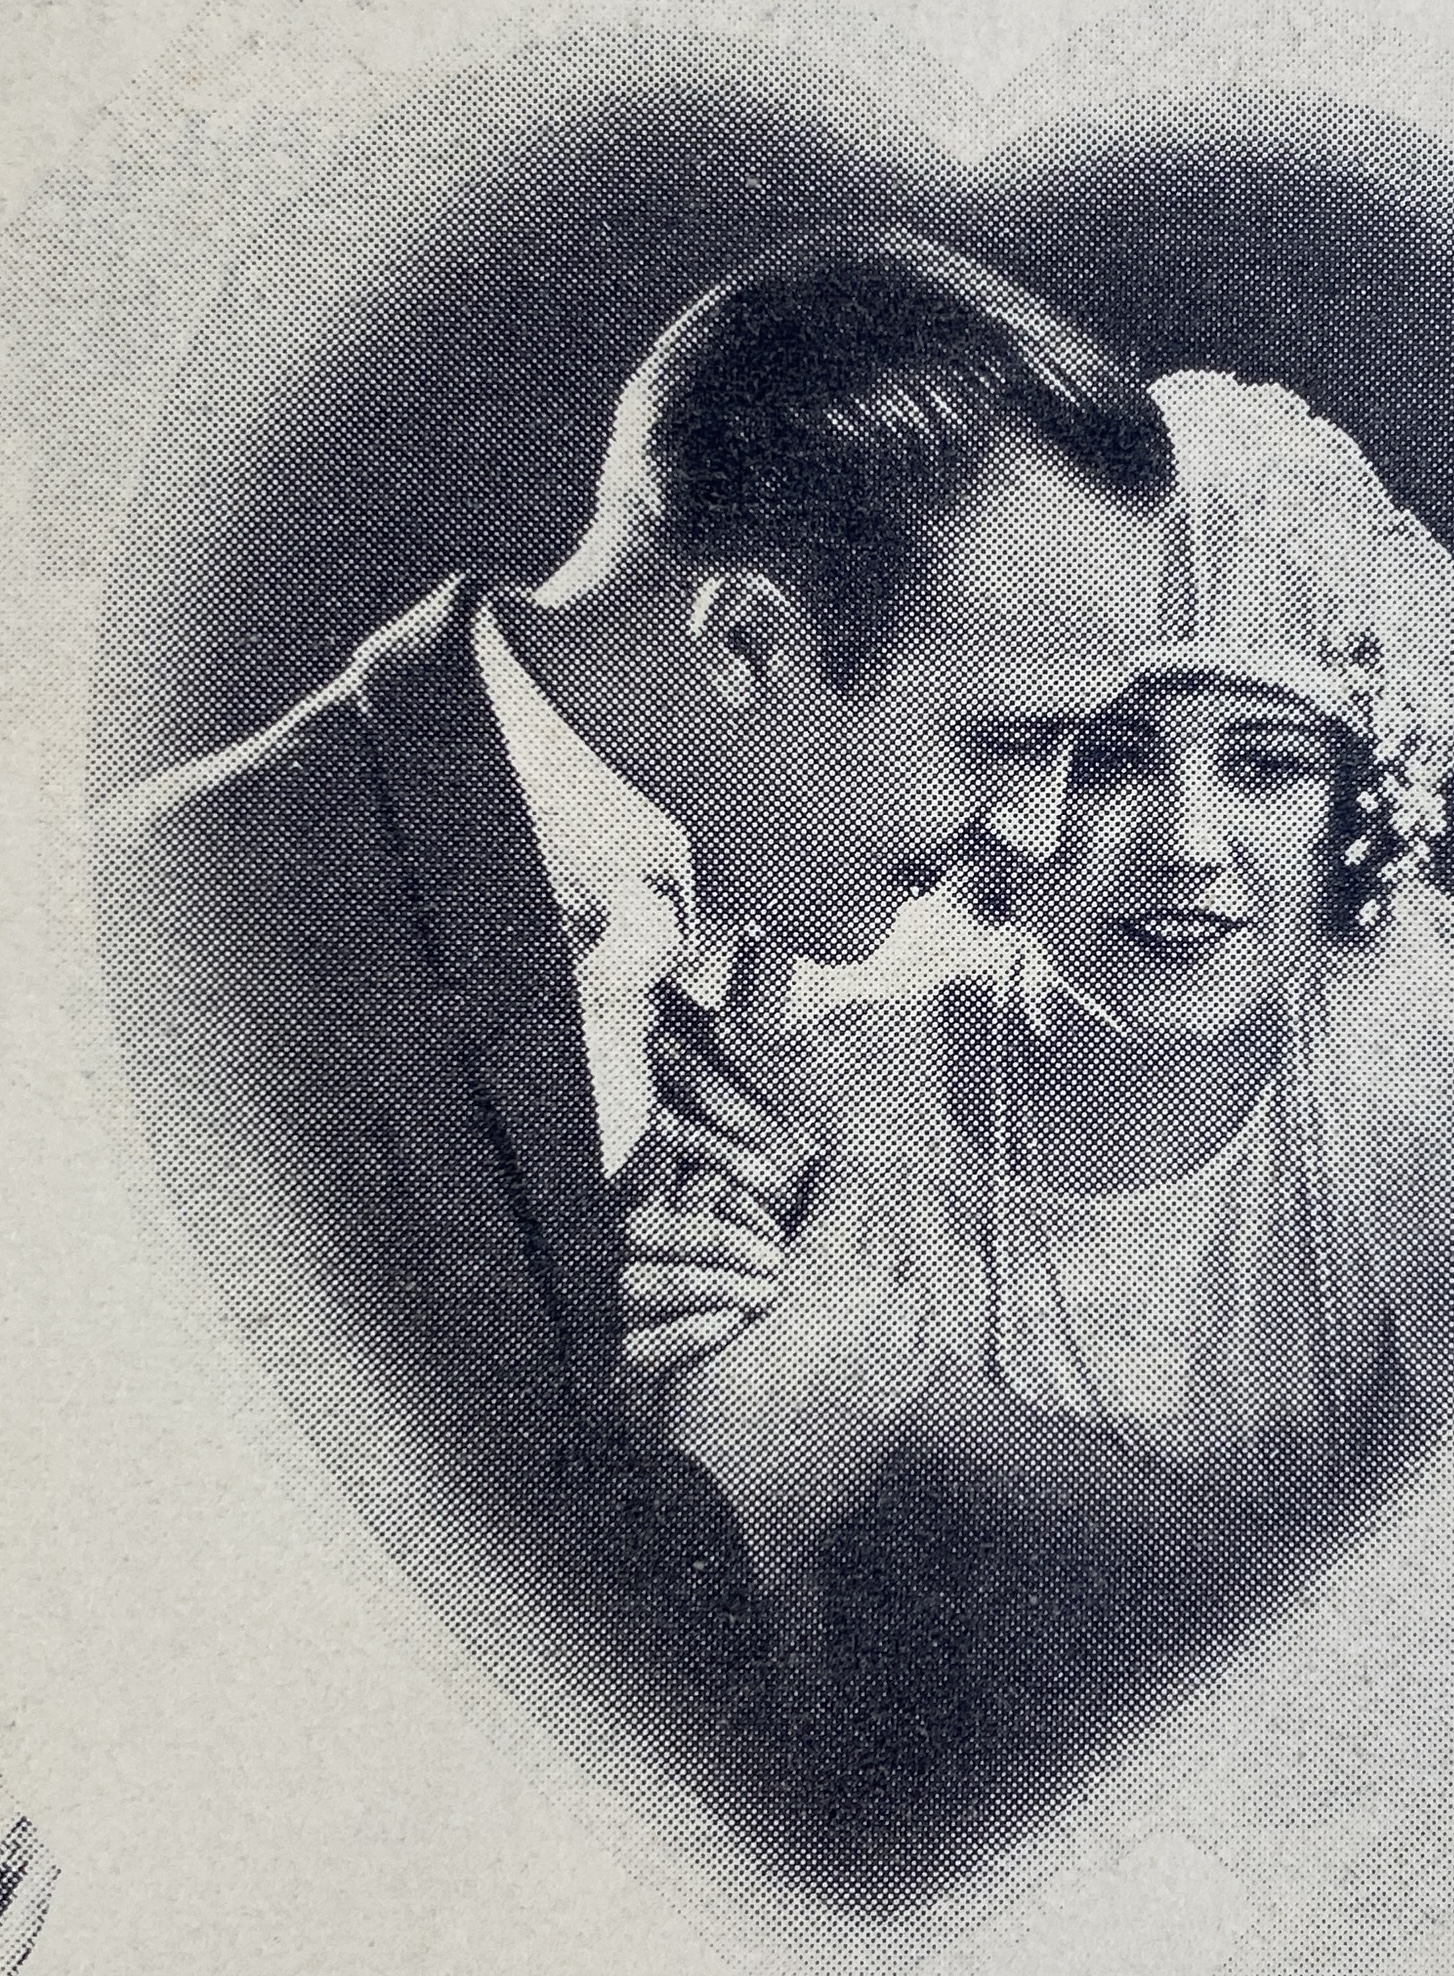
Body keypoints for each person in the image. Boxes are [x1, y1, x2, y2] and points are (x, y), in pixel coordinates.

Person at [90, 230, 1178, 1746]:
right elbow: (226, 1700)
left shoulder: (796, 969)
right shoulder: (174, 941)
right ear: (745, 645)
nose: (1041, 834)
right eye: (1007, 742)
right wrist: (730, 1501)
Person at [629, 370, 1454, 1889]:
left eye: (1266, 766)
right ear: (1004, 781)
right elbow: (683, 1651)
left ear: (1358, 811)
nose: (1183, 847)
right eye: (1106, 756)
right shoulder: (827, 1081)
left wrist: (940, 1423)